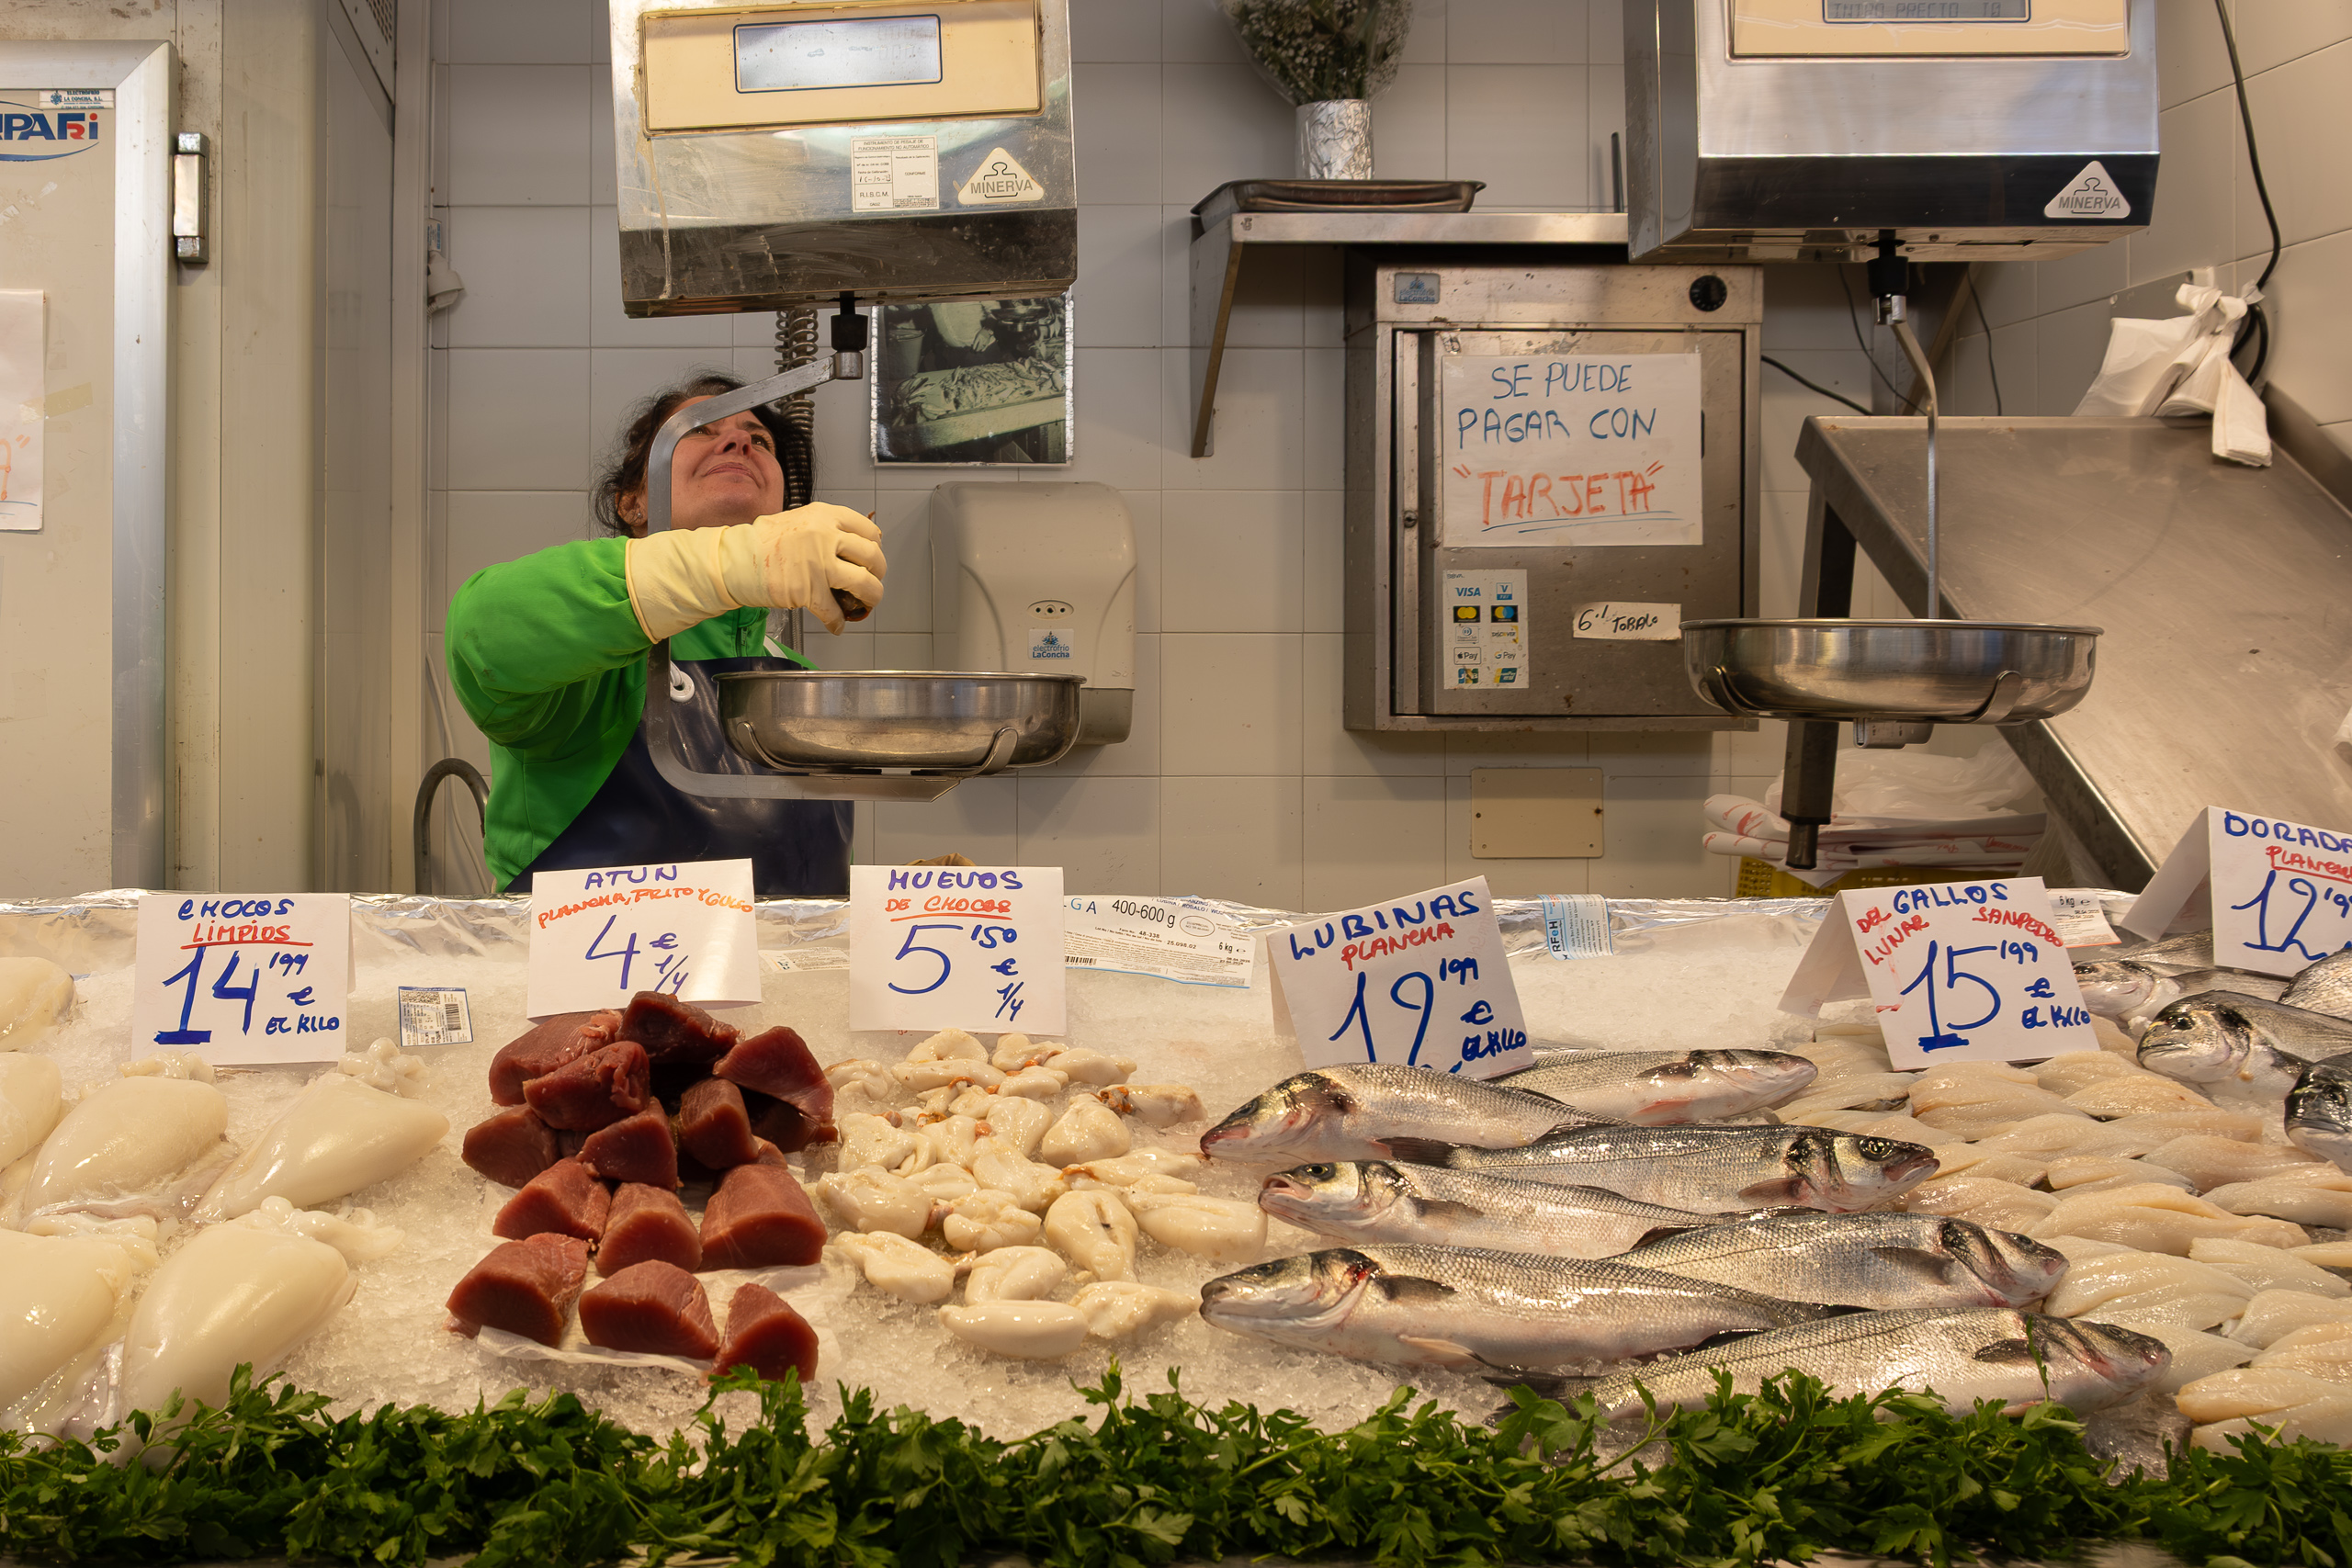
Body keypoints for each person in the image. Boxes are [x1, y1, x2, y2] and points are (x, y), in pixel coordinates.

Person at [447, 372, 885, 896]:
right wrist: (729, 562)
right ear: (632, 503)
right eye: (699, 429)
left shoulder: (803, 680)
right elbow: (486, 631)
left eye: (759, 439)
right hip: (601, 969)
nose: (740, 440)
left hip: (780, 975)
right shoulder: (587, 664)